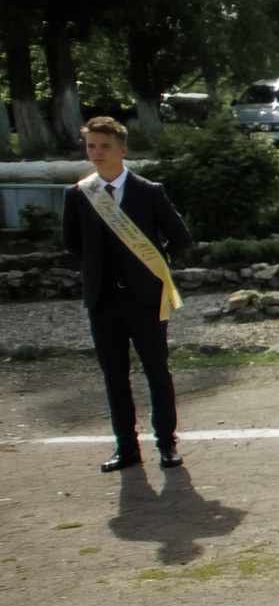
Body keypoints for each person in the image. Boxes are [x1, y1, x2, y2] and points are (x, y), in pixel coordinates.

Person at [63, 116, 191, 472]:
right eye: (91, 146)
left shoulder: (148, 191)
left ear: (123, 150)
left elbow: (180, 238)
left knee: (157, 373)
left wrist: (154, 266)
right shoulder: (78, 194)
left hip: (145, 298)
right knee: (115, 377)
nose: (97, 153)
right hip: (102, 300)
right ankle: (126, 447)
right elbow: (73, 243)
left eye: (105, 146)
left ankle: (166, 444)